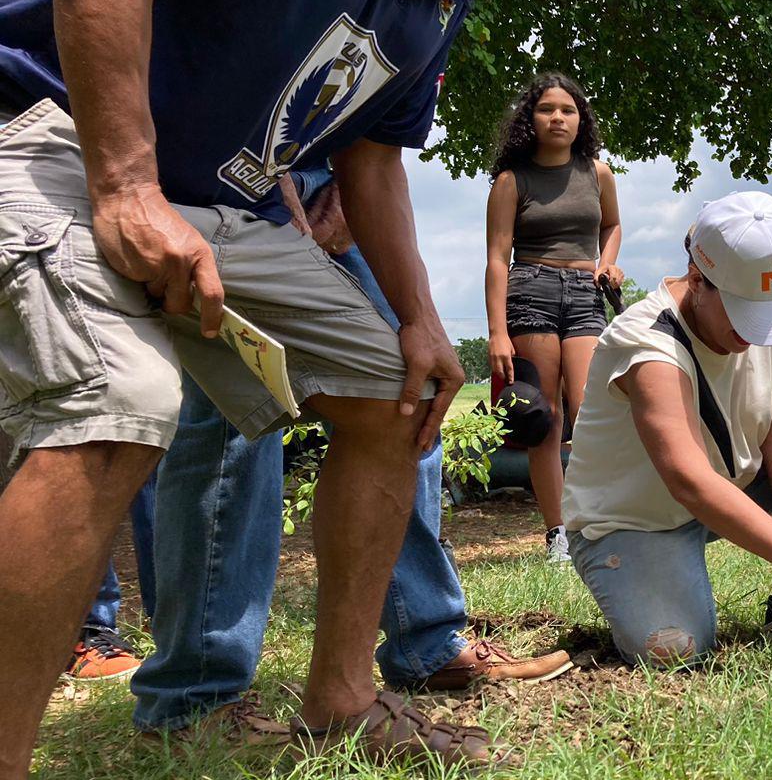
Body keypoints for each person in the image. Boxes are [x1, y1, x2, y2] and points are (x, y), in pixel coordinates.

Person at [0, 0, 563, 780]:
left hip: (218, 202)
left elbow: (370, 157)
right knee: (123, 400)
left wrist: (418, 317)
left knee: (395, 392)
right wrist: (125, 184)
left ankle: (342, 701)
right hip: (54, 129)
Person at [128, 169, 571, 744]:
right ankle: (193, 696)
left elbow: (378, 149)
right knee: (232, 416)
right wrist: (280, 194)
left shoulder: (408, 85)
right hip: (218, 192)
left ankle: (425, 644)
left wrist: (415, 306)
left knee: (408, 394)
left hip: (332, 195)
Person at [562, 193, 772, 667]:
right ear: (698, 279)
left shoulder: (769, 306)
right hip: (635, 521)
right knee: (677, 650)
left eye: (768, 311)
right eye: (744, 312)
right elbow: (690, 481)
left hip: (730, 485)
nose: (756, 332)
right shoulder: (646, 340)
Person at [484, 72, 622, 565]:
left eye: (567, 109)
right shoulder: (511, 180)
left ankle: (597, 519)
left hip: (586, 293)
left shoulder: (598, 173)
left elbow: (611, 224)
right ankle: (558, 534)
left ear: (580, 118)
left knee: (590, 409)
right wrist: (497, 331)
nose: (557, 117)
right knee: (545, 418)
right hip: (531, 292)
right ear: (531, 119)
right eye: (547, 109)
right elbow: (497, 258)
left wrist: (608, 261)